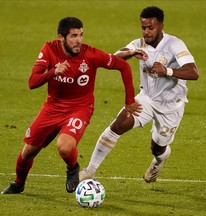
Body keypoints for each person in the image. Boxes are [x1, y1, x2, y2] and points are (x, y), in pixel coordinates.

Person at [1, 17, 142, 194]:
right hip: (52, 107)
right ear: (61, 37)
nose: (79, 40)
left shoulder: (90, 54)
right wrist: (53, 72)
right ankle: (18, 184)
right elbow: (32, 82)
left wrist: (129, 100)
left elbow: (123, 66)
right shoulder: (49, 49)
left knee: (64, 146)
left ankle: (73, 168)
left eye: (81, 35)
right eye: (74, 36)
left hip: (80, 108)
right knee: (27, 152)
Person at [79, 6, 199, 183]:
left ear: (161, 26)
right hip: (147, 99)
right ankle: (90, 170)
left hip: (171, 106)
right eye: (143, 28)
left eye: (151, 27)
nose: (146, 32)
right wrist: (131, 52)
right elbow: (114, 57)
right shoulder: (139, 44)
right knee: (118, 125)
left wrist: (168, 70)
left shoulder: (175, 44)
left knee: (157, 148)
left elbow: (193, 72)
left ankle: (159, 160)